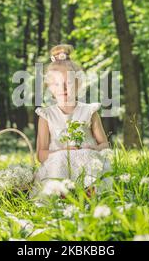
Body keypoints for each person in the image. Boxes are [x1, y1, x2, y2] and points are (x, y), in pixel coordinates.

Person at [33, 44, 112, 195]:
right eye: (56, 84)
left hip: (86, 162)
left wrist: (94, 149)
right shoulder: (46, 115)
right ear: (49, 87)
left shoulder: (89, 111)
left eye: (68, 83)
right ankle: (61, 196)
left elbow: (105, 145)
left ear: (78, 84)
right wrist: (62, 151)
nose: (62, 89)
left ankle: (90, 195)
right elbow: (41, 155)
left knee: (87, 156)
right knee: (62, 157)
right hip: (59, 166)